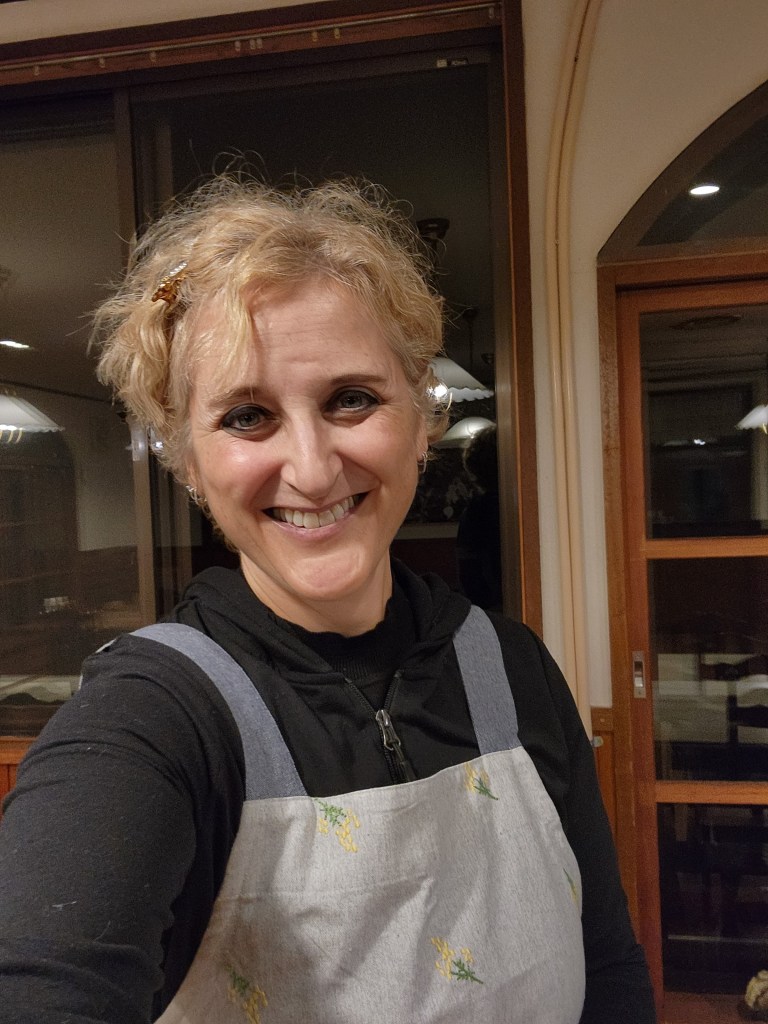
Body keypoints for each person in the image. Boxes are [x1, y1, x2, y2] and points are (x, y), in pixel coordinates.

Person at [0, 178, 656, 1023]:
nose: (311, 470)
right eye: (247, 416)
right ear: (188, 462)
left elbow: (608, 964)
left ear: (421, 418)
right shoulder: (152, 718)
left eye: (353, 399)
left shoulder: (512, 665)